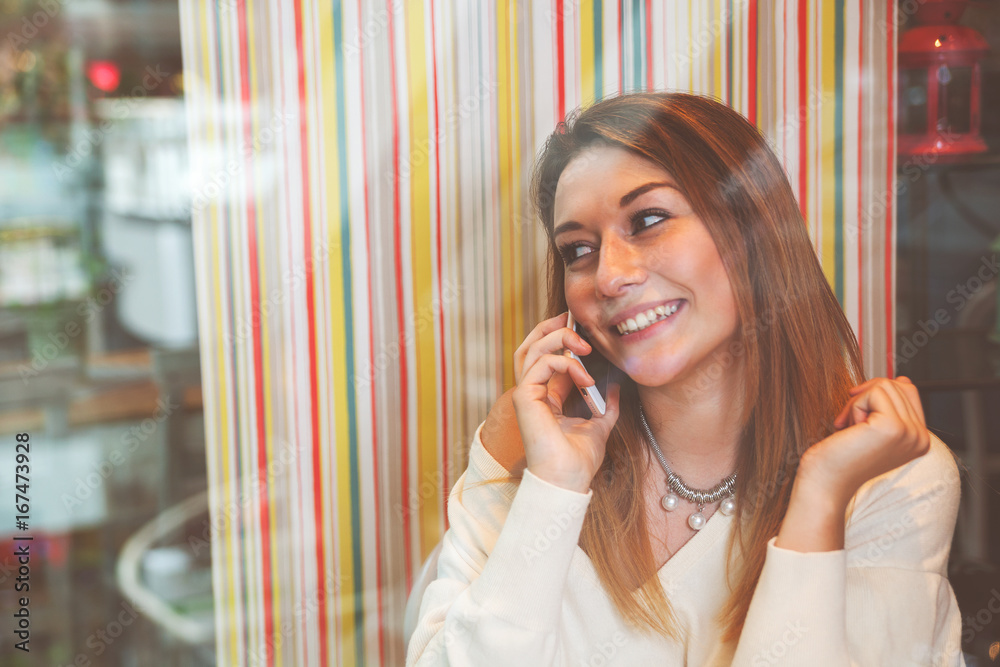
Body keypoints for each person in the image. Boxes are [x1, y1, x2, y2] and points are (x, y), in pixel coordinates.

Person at [405, 92, 965, 666]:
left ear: (754, 231)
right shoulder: (527, 445)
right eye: (579, 249)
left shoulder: (890, 478)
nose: (610, 277)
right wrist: (553, 489)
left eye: (648, 221)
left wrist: (819, 497)